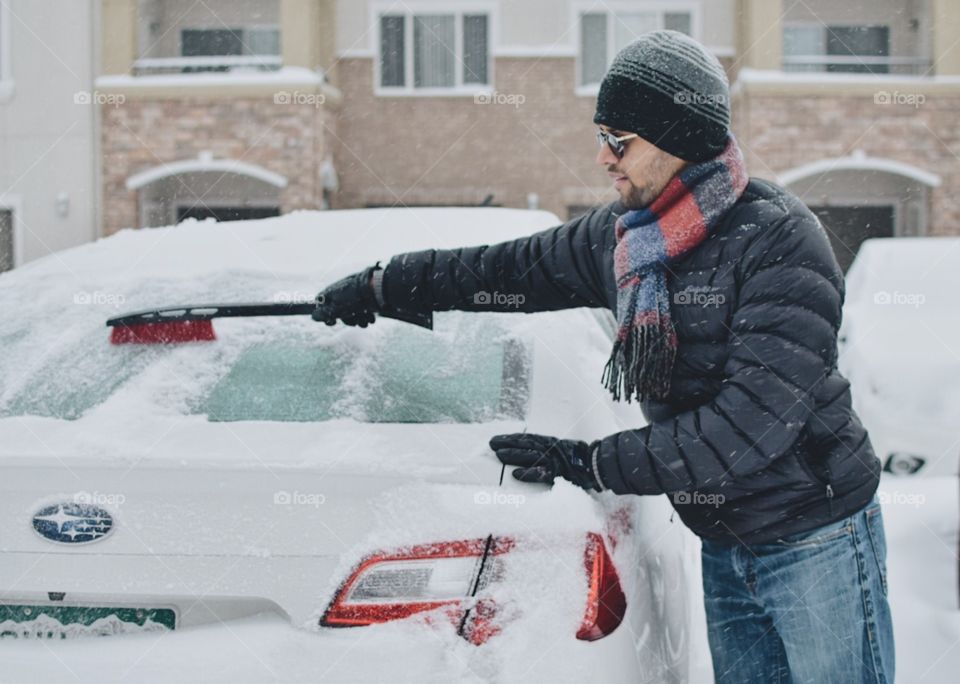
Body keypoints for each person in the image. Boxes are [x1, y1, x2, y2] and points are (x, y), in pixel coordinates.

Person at [313, 30, 894, 683]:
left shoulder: (779, 239)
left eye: (619, 141)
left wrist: (589, 463)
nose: (601, 158)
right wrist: (384, 284)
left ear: (676, 138)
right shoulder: (628, 241)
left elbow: (749, 426)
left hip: (815, 539)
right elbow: (508, 270)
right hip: (726, 542)